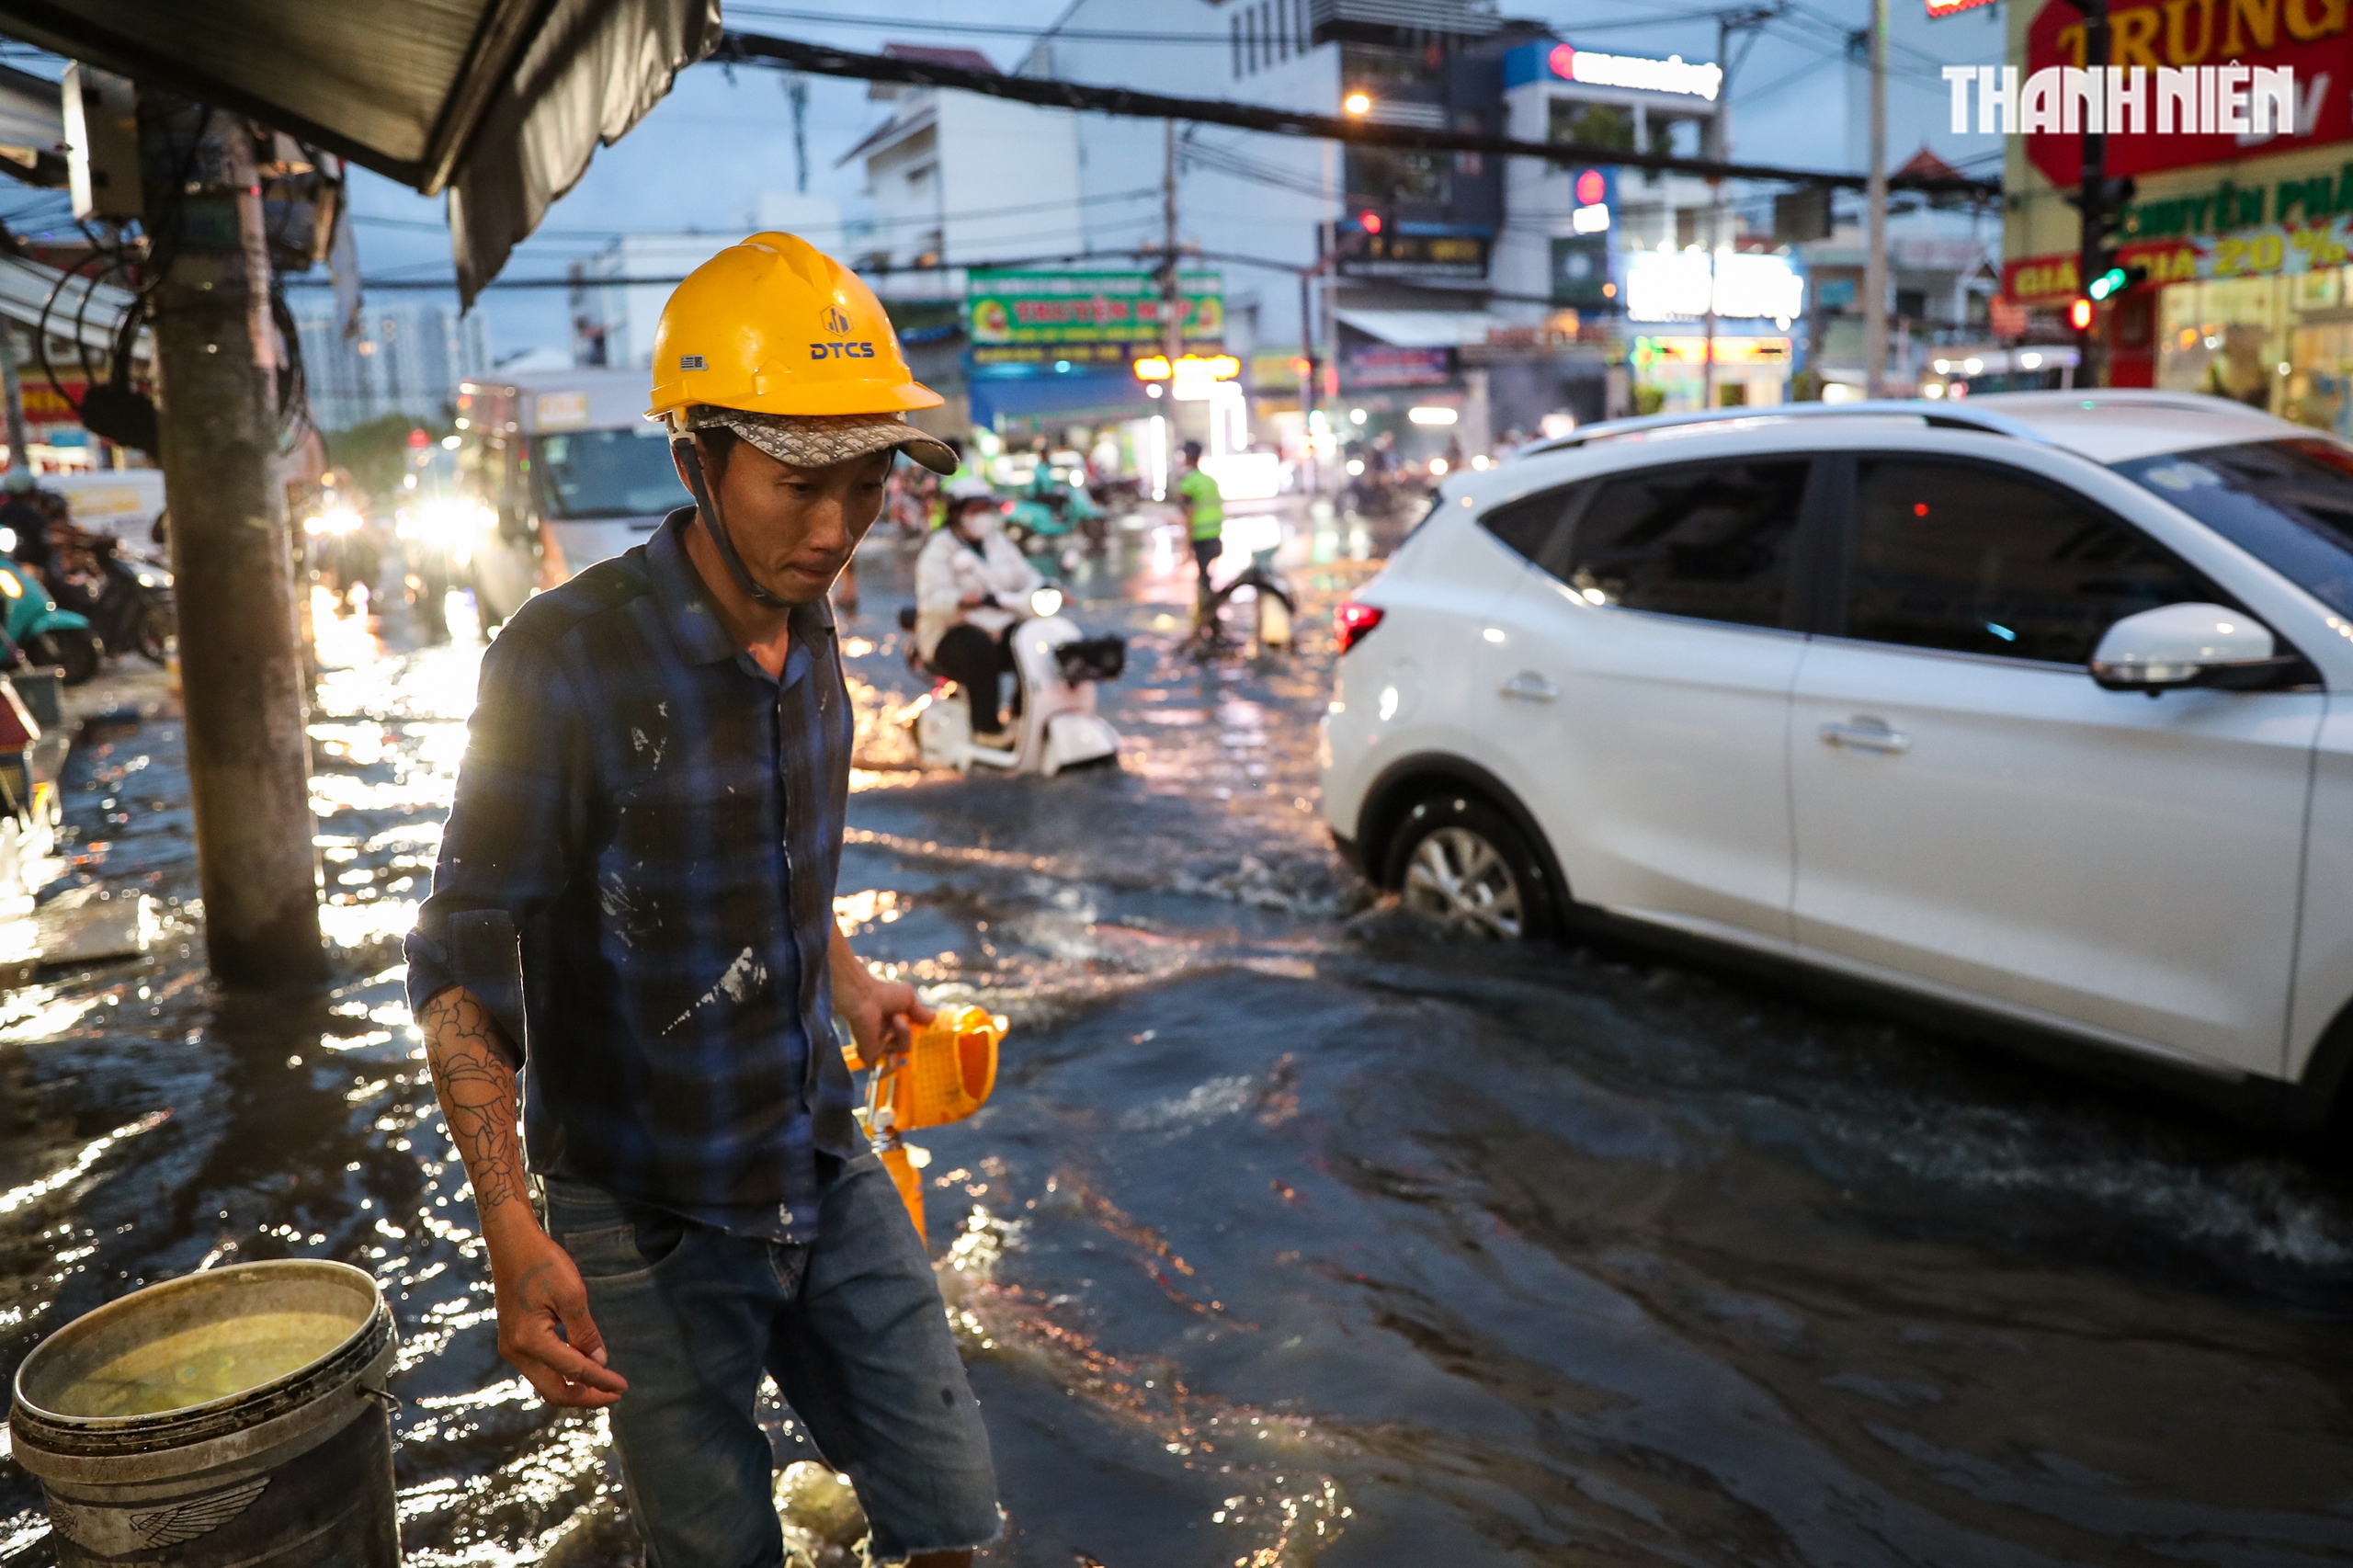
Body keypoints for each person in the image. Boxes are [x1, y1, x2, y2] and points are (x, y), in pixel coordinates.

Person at [405, 231, 999, 1568]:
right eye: (799, 484)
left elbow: (771, 856)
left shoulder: (820, 618)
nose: (838, 528)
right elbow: (458, 955)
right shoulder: (559, 657)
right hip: (645, 1206)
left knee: (955, 1518)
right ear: (697, 457)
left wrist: (849, 986)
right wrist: (509, 1222)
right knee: (715, 1550)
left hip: (821, 1153)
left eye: (867, 483)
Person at [915, 476, 1040, 745]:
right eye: (975, 511)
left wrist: (1049, 588)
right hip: (949, 634)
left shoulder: (999, 543)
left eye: (986, 510)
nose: (982, 517)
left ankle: (1021, 716)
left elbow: (1026, 576)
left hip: (998, 625)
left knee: (1032, 640)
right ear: (958, 514)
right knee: (978, 646)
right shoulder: (939, 549)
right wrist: (962, 600)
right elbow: (932, 599)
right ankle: (987, 730)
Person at [1175, 439, 1222, 592]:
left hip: (1200, 536)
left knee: (1204, 580)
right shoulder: (1210, 481)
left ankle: (1208, 609)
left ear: (1187, 457)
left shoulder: (1188, 484)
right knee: (1207, 576)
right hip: (1215, 534)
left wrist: (1186, 543)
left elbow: (1189, 514)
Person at [0, 469, 51, 584]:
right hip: (27, 567)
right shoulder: (23, 512)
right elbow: (50, 527)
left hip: (14, 565)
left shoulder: (6, 510)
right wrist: (86, 537)